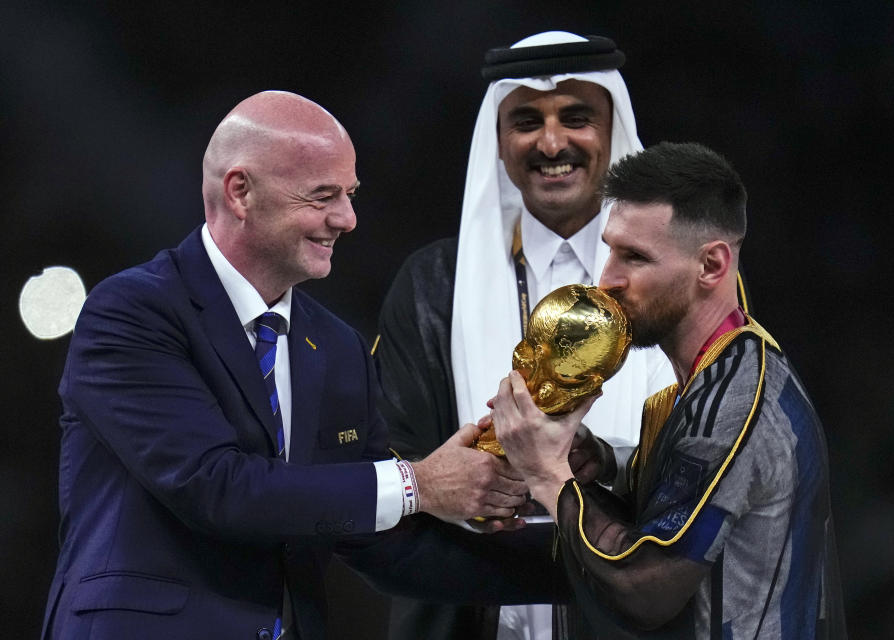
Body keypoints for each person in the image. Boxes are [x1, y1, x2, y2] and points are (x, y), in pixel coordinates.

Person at [41, 91, 561, 640]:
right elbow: (216, 487)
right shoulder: (131, 312)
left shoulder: (337, 348)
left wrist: (598, 560)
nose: (348, 218)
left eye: (351, 194)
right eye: (322, 196)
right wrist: (417, 483)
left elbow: (383, 538)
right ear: (240, 192)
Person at [375, 31, 726, 640]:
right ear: (500, 140)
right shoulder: (432, 285)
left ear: (613, 131)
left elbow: (722, 458)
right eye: (527, 120)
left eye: (577, 117)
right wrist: (441, 484)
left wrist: (607, 463)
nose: (552, 142)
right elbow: (384, 466)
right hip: (471, 616)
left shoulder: (679, 282)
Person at [491, 142, 846, 639]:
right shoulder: (705, 383)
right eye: (610, 249)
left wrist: (546, 475)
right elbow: (663, 521)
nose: (607, 279)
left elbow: (644, 589)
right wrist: (601, 467)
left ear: (711, 266)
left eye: (634, 257)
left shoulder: (740, 399)